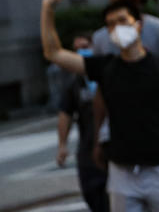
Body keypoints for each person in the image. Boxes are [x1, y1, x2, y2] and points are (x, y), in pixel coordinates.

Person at [41, 0, 159, 211]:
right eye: (110, 24)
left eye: (122, 20)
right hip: (122, 174)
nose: (117, 28)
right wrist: (47, 8)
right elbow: (53, 53)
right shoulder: (105, 68)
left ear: (138, 25)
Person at [56, 33, 108, 212]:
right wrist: (62, 145)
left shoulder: (107, 72)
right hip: (88, 148)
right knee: (93, 193)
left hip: (112, 146)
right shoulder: (74, 82)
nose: (81, 52)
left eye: (85, 47)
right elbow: (65, 113)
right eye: (77, 49)